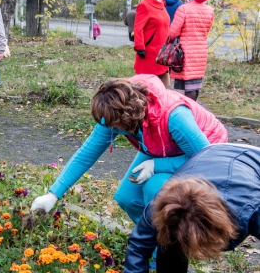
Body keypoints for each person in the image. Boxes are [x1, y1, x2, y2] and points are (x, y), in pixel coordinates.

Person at [30, 74, 228, 223]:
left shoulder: (174, 116)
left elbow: (206, 159)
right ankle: (150, 239)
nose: (108, 129)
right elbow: (86, 154)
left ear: (127, 118)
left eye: (112, 125)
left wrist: (157, 165)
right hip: (158, 147)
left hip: (204, 150)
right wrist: (53, 194)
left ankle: (167, 252)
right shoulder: (114, 116)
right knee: (127, 197)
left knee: (155, 190)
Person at [124, 143, 260, 273]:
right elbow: (138, 248)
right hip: (210, 153)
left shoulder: (252, 209)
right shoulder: (163, 206)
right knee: (170, 239)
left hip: (254, 158)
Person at [169, 0, 214, 102]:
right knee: (195, 84)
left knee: (189, 87)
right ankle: (192, 110)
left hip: (186, 51)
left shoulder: (184, 9)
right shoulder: (210, 10)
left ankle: (189, 112)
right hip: (201, 51)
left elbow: (173, 32)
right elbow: (207, 30)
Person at [133, 0, 171, 87]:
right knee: (148, 84)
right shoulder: (144, 5)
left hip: (162, 51)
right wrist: (139, 46)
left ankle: (162, 102)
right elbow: (138, 27)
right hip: (149, 51)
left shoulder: (162, 5)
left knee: (163, 84)